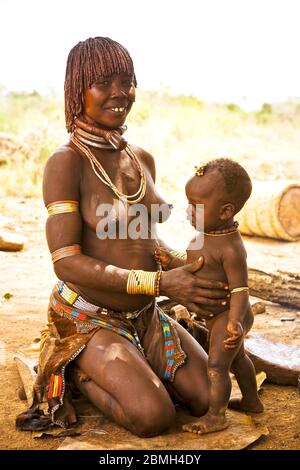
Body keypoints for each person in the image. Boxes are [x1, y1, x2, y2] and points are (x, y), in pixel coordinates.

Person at [22, 37, 230, 438]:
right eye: (104, 82)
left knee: (210, 397)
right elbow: (65, 262)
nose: (120, 93)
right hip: (88, 315)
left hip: (145, 315)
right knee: (154, 417)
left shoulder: (141, 158)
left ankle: (135, 362)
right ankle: (75, 366)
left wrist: (191, 266)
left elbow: (144, 240)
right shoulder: (66, 163)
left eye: (128, 81)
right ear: (77, 89)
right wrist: (160, 282)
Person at [155, 158, 264, 435]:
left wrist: (235, 323)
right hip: (222, 314)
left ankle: (216, 416)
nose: (189, 212)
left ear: (226, 211)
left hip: (228, 315)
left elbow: (241, 289)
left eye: (196, 206)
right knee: (238, 359)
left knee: (216, 365)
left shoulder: (231, 249)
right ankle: (252, 402)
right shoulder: (207, 235)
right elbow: (197, 269)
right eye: (188, 204)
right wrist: (172, 262)